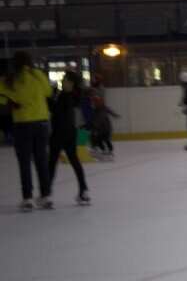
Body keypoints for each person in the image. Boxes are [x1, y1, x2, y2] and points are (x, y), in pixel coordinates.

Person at [0, 51, 54, 211]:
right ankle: (45, 196)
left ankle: (28, 198)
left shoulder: (10, 78)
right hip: (42, 123)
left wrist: (11, 102)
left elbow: (2, 99)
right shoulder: (38, 74)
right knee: (42, 161)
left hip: (22, 123)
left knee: (24, 162)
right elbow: (48, 92)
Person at [48, 72, 90, 206]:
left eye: (65, 79)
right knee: (74, 161)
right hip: (70, 132)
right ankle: (84, 191)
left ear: (71, 82)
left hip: (59, 132)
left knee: (52, 163)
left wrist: (47, 99)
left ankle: (46, 194)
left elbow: (57, 111)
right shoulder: (73, 95)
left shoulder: (65, 95)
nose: (62, 80)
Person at [87, 75, 119, 161]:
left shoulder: (101, 109)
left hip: (104, 129)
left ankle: (107, 152)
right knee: (99, 139)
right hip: (102, 128)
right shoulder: (98, 108)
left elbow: (100, 119)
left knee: (102, 139)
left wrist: (93, 125)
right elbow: (107, 111)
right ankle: (103, 151)